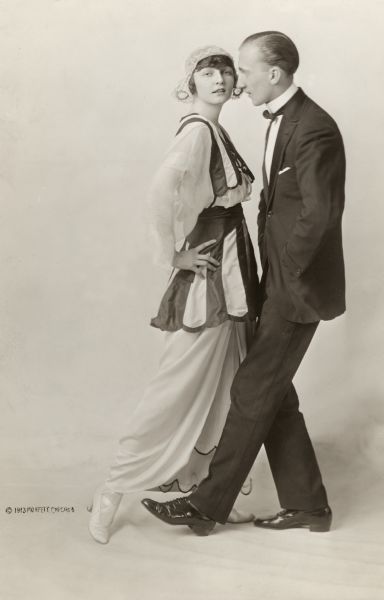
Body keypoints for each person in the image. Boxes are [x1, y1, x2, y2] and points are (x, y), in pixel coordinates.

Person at [142, 31, 346, 536]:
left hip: (294, 289)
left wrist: (284, 279)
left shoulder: (314, 127)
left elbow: (320, 215)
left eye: (246, 70)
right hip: (276, 282)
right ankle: (309, 507)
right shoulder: (285, 120)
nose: (239, 80)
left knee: (254, 388)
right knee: (276, 394)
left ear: (273, 73)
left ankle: (206, 507)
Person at [88, 46, 260, 544]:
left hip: (232, 268)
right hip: (209, 274)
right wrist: (173, 257)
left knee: (231, 381)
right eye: (209, 72)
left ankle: (200, 481)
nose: (221, 79)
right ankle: (112, 488)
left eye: (227, 72)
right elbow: (160, 191)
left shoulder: (215, 130)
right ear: (191, 81)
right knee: (175, 386)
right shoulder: (197, 131)